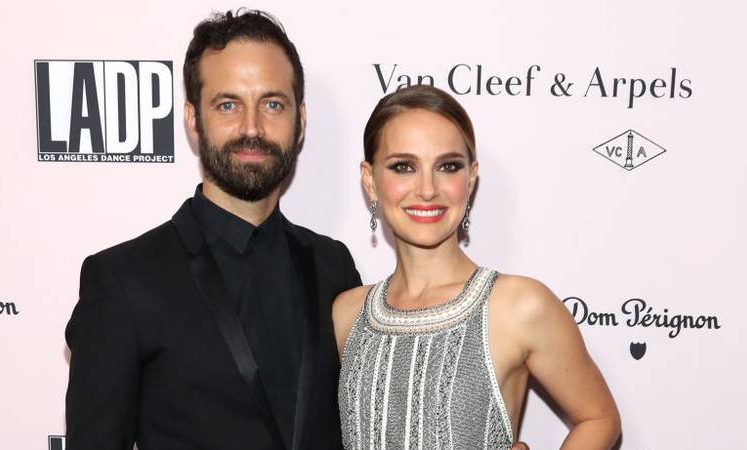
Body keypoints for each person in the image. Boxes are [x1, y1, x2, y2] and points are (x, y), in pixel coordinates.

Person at [65, 10, 361, 450]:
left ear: (300, 120)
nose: (252, 128)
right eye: (228, 104)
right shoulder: (123, 281)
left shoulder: (333, 266)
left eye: (272, 104)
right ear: (191, 118)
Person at [333, 85, 621, 449]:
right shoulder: (347, 314)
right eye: (403, 167)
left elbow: (599, 417)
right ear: (370, 180)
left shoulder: (518, 305)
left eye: (448, 166)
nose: (427, 189)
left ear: (470, 178)